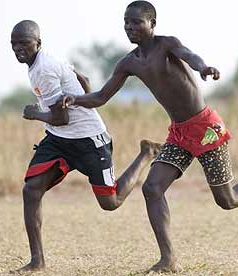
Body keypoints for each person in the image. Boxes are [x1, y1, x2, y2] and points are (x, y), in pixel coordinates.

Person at [62, 1, 238, 273]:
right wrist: (74, 100)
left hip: (206, 128)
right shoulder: (128, 63)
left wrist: (203, 67)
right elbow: (101, 97)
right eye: (126, 22)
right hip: (179, 133)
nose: (130, 27)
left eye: (137, 22)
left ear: (152, 23)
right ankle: (168, 260)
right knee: (152, 189)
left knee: (227, 200)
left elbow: (190, 56)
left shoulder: (167, 45)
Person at [10, 20, 162, 272]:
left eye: (24, 43)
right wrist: (81, 100)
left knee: (110, 203)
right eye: (13, 44)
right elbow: (84, 79)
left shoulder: (44, 69)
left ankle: (147, 153)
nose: (18, 49)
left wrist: (35, 114)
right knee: (31, 190)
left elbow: (61, 117)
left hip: (89, 141)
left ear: (38, 43)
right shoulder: (43, 62)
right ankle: (37, 261)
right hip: (59, 140)